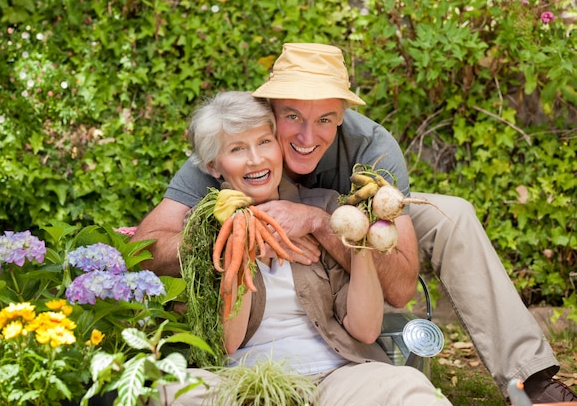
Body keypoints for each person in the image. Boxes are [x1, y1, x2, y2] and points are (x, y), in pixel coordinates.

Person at [133, 43, 577, 403]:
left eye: (325, 118)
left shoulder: (372, 146)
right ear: (269, 109)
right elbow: (148, 246)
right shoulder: (241, 143)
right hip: (257, 254)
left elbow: (400, 289)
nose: (307, 138)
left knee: (453, 213)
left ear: (342, 114)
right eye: (292, 117)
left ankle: (530, 378)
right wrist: (235, 230)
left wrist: (319, 222)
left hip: (353, 220)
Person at [161, 90, 451, 405]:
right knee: (173, 390)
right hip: (242, 380)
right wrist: (242, 246)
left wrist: (358, 242)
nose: (256, 159)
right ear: (215, 166)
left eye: (264, 142)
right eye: (237, 149)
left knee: (408, 387)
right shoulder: (204, 230)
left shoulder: (326, 208)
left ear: (279, 146)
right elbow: (228, 343)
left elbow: (366, 331)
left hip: (335, 374)